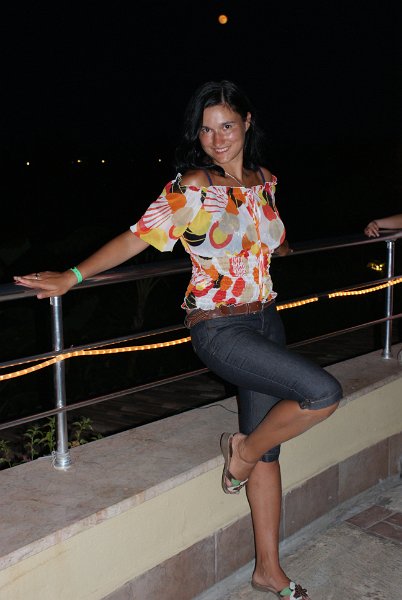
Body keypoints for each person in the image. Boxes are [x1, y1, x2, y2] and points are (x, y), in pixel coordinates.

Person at [14, 80, 342, 600]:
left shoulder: (265, 180)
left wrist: (271, 245)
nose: (217, 139)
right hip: (219, 327)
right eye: (206, 130)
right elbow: (136, 236)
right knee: (322, 393)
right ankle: (240, 453)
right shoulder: (192, 187)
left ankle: (268, 569)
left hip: (266, 319)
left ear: (247, 123)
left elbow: (272, 239)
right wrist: (72, 276)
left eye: (226, 126)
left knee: (269, 452)